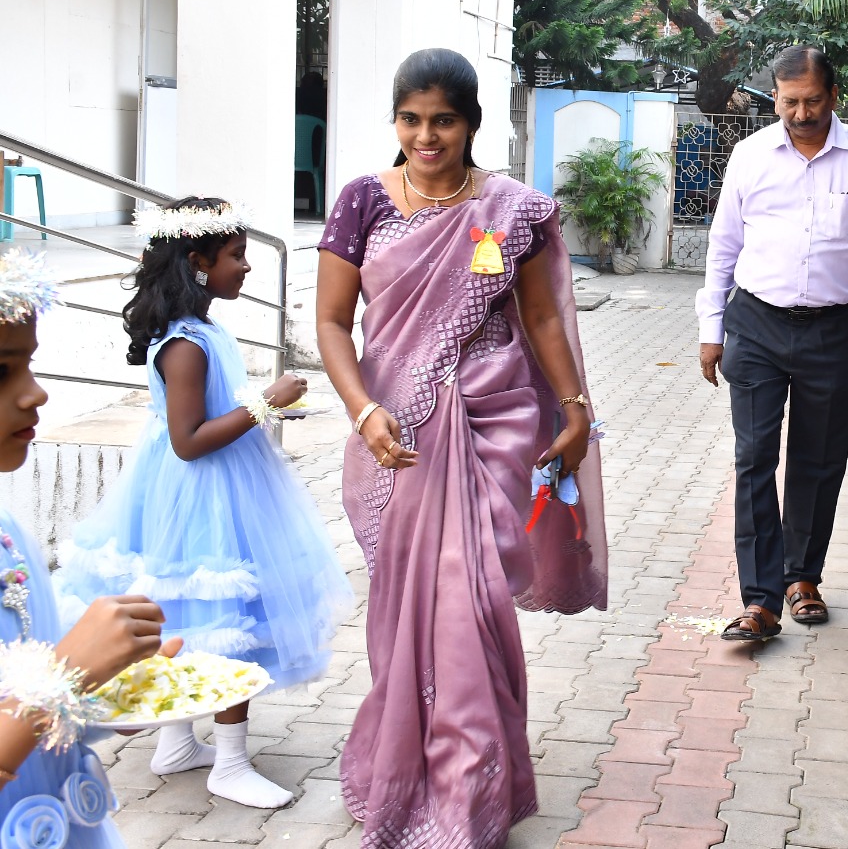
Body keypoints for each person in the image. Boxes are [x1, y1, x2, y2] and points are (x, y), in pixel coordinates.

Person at [316, 47, 606, 848]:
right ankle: (410, 773)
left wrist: (575, 408)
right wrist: (363, 410)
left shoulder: (510, 210)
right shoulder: (363, 202)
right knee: (412, 607)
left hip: (494, 421)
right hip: (396, 432)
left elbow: (541, 318)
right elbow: (332, 323)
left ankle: (468, 791)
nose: (426, 137)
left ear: (473, 123)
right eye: (410, 120)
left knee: (471, 603)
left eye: (443, 120)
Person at [58, 198, 353, 809]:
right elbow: (189, 442)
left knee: (189, 613)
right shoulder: (185, 345)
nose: (246, 266)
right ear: (198, 262)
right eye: (236, 256)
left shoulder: (205, 330)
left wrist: (258, 405)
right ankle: (230, 763)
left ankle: (176, 744)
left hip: (215, 481)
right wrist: (267, 402)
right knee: (223, 618)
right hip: (202, 491)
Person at [696, 46, 848, 642]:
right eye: (790, 103)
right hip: (755, 325)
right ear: (776, 99)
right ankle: (760, 600)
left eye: (813, 101)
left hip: (833, 329)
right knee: (754, 458)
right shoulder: (750, 156)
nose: (802, 114)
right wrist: (711, 330)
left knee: (819, 459)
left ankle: (802, 577)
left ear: (834, 95)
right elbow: (723, 246)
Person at [0, 250, 180, 847]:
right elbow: (42, 691)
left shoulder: (9, 533)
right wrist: (65, 676)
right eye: (1, 371)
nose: (36, 394)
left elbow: (36, 702)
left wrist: (109, 687)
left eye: (28, 365)